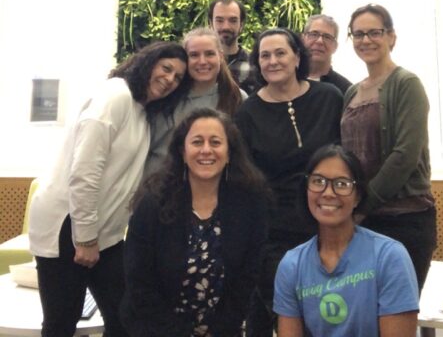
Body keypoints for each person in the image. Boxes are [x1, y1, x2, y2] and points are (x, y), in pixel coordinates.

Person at [28, 41, 189, 337]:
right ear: (148, 63)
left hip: (106, 234)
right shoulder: (115, 95)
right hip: (69, 224)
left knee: (126, 317)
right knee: (62, 321)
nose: (169, 80)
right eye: (166, 68)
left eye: (178, 77)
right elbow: (85, 171)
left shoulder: (140, 110)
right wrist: (86, 237)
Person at [121, 107, 268, 337]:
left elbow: (247, 280)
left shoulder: (251, 204)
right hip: (156, 329)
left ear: (229, 153)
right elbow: (139, 282)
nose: (206, 150)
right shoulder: (151, 204)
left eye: (216, 142)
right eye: (197, 142)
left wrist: (217, 331)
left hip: (221, 331)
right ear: (182, 151)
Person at [235, 27, 343, 337]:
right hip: (274, 235)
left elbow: (345, 161)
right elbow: (245, 181)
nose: (272, 61)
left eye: (280, 53)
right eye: (264, 55)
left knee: (328, 318)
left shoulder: (329, 98)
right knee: (290, 318)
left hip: (327, 228)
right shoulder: (248, 112)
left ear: (297, 57)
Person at [274, 144, 419, 337]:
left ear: (358, 196)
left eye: (342, 184)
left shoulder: (389, 257)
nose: (328, 192)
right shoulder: (291, 265)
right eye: (318, 181)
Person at [341, 3, 436, 291]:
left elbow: (404, 155)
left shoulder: (407, 84)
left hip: (404, 220)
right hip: (363, 221)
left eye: (374, 32)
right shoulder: (351, 91)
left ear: (391, 37)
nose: (365, 40)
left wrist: (361, 206)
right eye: (358, 34)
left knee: (397, 317)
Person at [145, 27, 245, 176]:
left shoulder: (237, 98)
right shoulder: (167, 94)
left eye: (209, 54)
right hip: (158, 188)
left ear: (221, 57)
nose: (202, 61)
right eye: (194, 55)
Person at [208, 0, 257, 94]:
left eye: (233, 20)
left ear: (241, 25)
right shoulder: (200, 64)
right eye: (219, 20)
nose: (226, 26)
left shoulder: (254, 66)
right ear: (210, 24)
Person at [302, 14, 352, 94]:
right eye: (314, 34)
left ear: (335, 46)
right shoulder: (288, 81)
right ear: (303, 39)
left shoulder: (345, 90)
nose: (319, 41)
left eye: (327, 37)